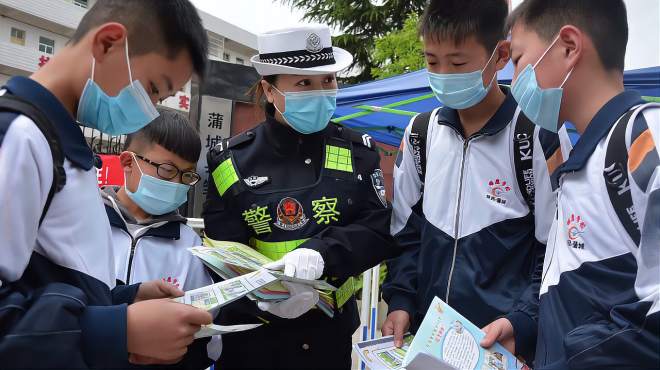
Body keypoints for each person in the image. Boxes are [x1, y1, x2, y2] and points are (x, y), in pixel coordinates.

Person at [0, 0, 213, 367]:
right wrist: (117, 330)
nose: (148, 109)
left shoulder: (65, 149)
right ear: (108, 43)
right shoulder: (20, 137)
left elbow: (48, 285)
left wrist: (124, 300)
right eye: (152, 89)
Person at [202, 24, 401, 369]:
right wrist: (262, 300)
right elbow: (221, 251)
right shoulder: (231, 160)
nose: (321, 92)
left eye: (328, 80)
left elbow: (379, 229)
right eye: (305, 83)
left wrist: (324, 253)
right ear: (270, 89)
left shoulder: (356, 152)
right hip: (253, 340)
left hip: (330, 338)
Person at [481, 0, 660, 368]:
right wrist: (526, 324)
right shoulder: (582, 163)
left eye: (517, 60)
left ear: (568, 47)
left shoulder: (642, 140)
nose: (514, 81)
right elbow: (585, 290)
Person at [381, 0, 557, 363]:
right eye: (432, 61)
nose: (443, 73)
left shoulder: (535, 137)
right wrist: (400, 301)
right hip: (428, 343)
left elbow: (556, 252)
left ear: (500, 55)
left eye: (458, 63)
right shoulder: (420, 134)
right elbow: (404, 234)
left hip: (501, 349)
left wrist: (522, 322)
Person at [101, 111, 221, 367]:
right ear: (128, 162)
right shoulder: (85, 223)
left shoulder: (189, 244)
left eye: (187, 176)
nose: (177, 183)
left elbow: (203, 331)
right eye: (167, 170)